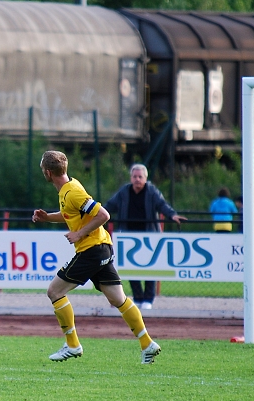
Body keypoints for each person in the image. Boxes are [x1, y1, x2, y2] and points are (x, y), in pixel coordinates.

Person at [32, 151, 161, 364]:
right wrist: (48, 218)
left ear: (47, 172)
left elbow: (104, 215)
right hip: (102, 248)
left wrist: (79, 234)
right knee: (118, 299)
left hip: (91, 250)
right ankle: (147, 344)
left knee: (54, 291)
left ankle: (73, 345)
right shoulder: (69, 187)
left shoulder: (72, 192)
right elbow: (72, 214)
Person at [104, 163, 186, 310]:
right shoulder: (124, 191)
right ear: (131, 177)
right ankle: (138, 298)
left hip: (149, 236)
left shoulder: (151, 191)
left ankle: (148, 299)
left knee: (150, 268)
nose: (137, 179)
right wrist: (96, 214)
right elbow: (110, 206)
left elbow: (162, 205)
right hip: (129, 237)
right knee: (131, 268)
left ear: (145, 178)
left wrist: (172, 215)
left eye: (140, 177)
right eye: (134, 176)